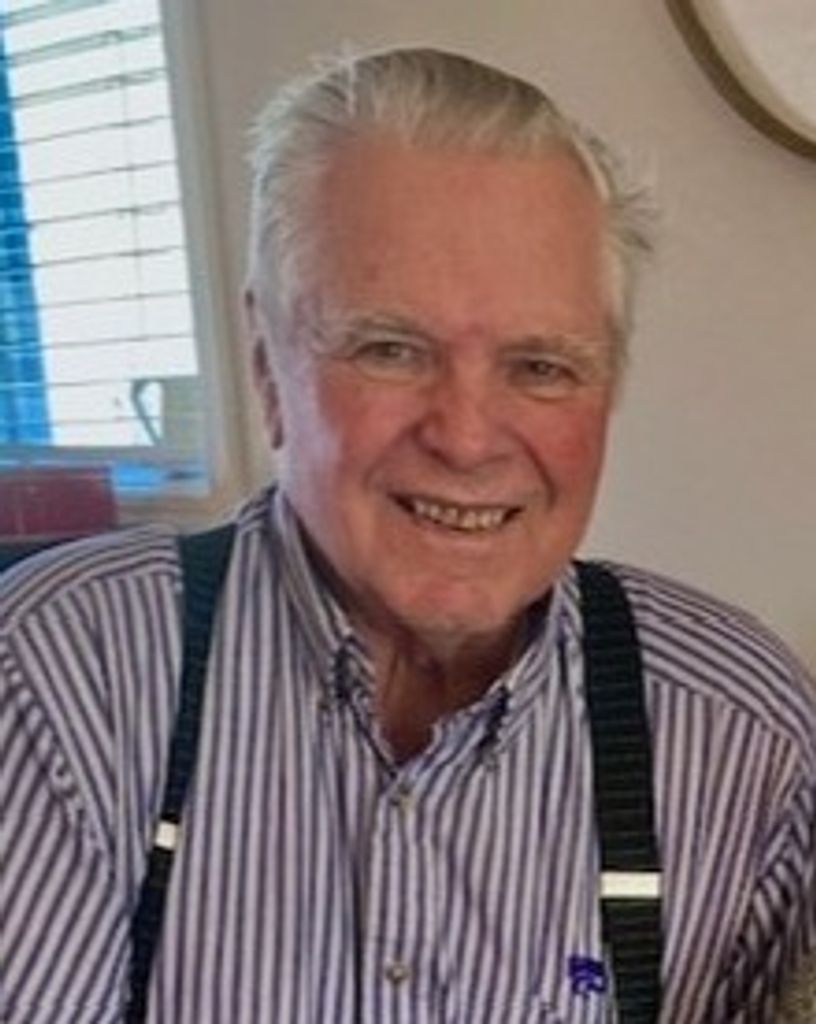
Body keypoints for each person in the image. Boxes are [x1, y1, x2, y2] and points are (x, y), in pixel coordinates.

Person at [1, 47, 814, 1024]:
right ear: (267, 366)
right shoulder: (57, 682)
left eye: (541, 366)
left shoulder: (746, 735)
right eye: (390, 349)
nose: (466, 438)